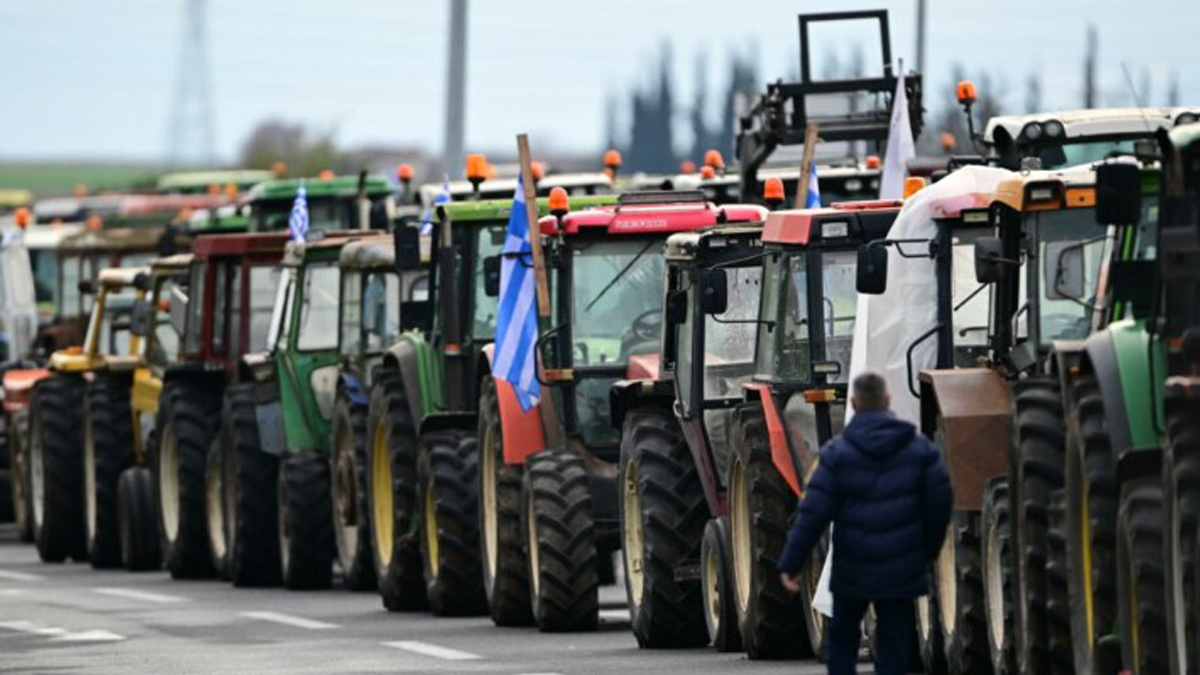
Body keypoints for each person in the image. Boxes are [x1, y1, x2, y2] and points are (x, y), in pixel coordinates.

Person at [777, 370, 952, 675]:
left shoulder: (835, 454)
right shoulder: (919, 449)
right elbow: (941, 503)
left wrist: (792, 563)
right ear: (888, 401)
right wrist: (927, 552)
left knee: (843, 644)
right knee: (895, 644)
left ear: (854, 404)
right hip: (901, 567)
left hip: (852, 567)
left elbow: (812, 513)